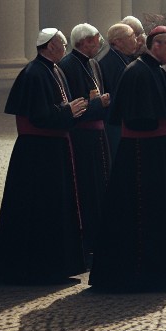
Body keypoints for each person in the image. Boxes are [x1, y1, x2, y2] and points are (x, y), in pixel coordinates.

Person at [89, 26, 166, 291]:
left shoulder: (156, 69)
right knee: (142, 212)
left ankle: (163, 271)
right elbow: (140, 119)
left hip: (158, 151)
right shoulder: (137, 72)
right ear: (156, 45)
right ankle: (144, 273)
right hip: (142, 155)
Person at [0, 28, 89, 283]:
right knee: (40, 208)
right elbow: (39, 116)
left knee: (57, 207)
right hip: (37, 153)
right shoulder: (33, 74)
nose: (65, 48)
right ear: (50, 46)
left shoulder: (55, 70)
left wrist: (70, 112)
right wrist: (68, 111)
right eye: (62, 44)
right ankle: (38, 266)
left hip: (54, 149)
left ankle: (59, 264)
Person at [57, 24, 113, 258]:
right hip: (81, 138)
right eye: (96, 40)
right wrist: (98, 104)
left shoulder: (93, 63)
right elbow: (73, 107)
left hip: (98, 136)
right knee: (85, 189)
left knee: (100, 187)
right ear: (84, 42)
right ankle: (85, 240)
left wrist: (101, 104)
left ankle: (100, 237)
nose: (99, 44)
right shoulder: (68, 65)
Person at [99, 22, 141, 161]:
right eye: (131, 36)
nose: (136, 40)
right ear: (118, 42)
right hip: (116, 123)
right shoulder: (109, 62)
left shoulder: (125, 59)